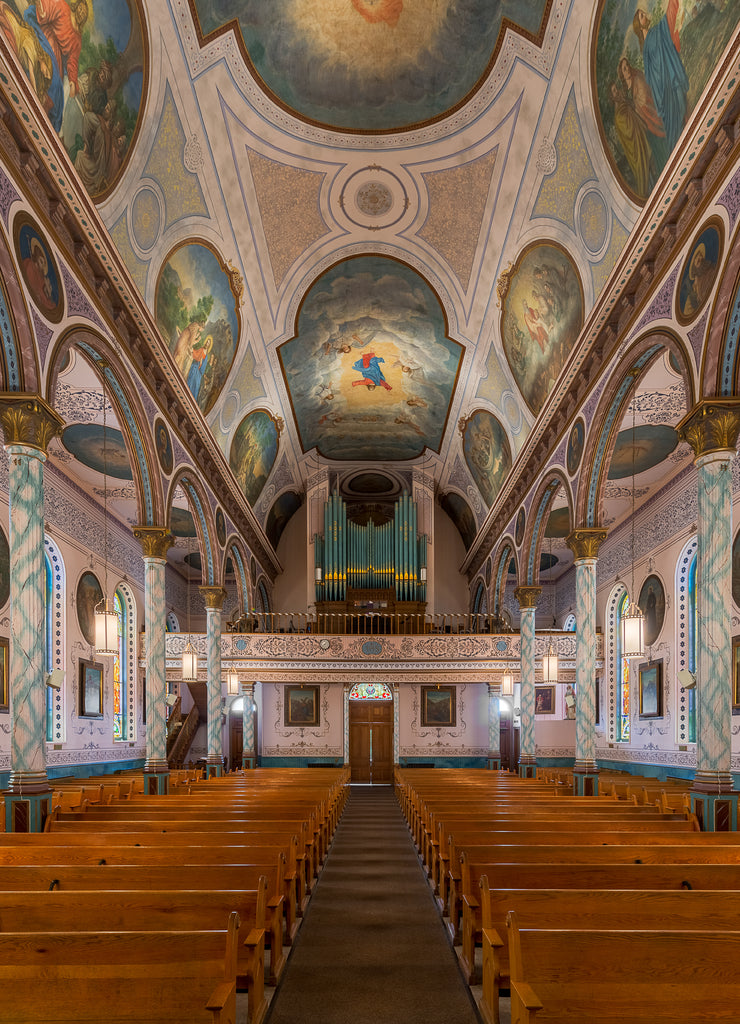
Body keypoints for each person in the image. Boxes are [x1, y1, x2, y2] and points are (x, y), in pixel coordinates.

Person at [632, 0, 689, 153]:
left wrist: (672, 3)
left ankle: (685, 138)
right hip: (662, 89)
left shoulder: (657, 31)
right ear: (639, 26)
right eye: (641, 16)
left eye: (643, 13)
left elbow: (667, 20)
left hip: (671, 77)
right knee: (672, 119)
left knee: (681, 104)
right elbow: (649, 77)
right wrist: (658, 90)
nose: (645, 15)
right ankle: (680, 148)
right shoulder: (645, 50)